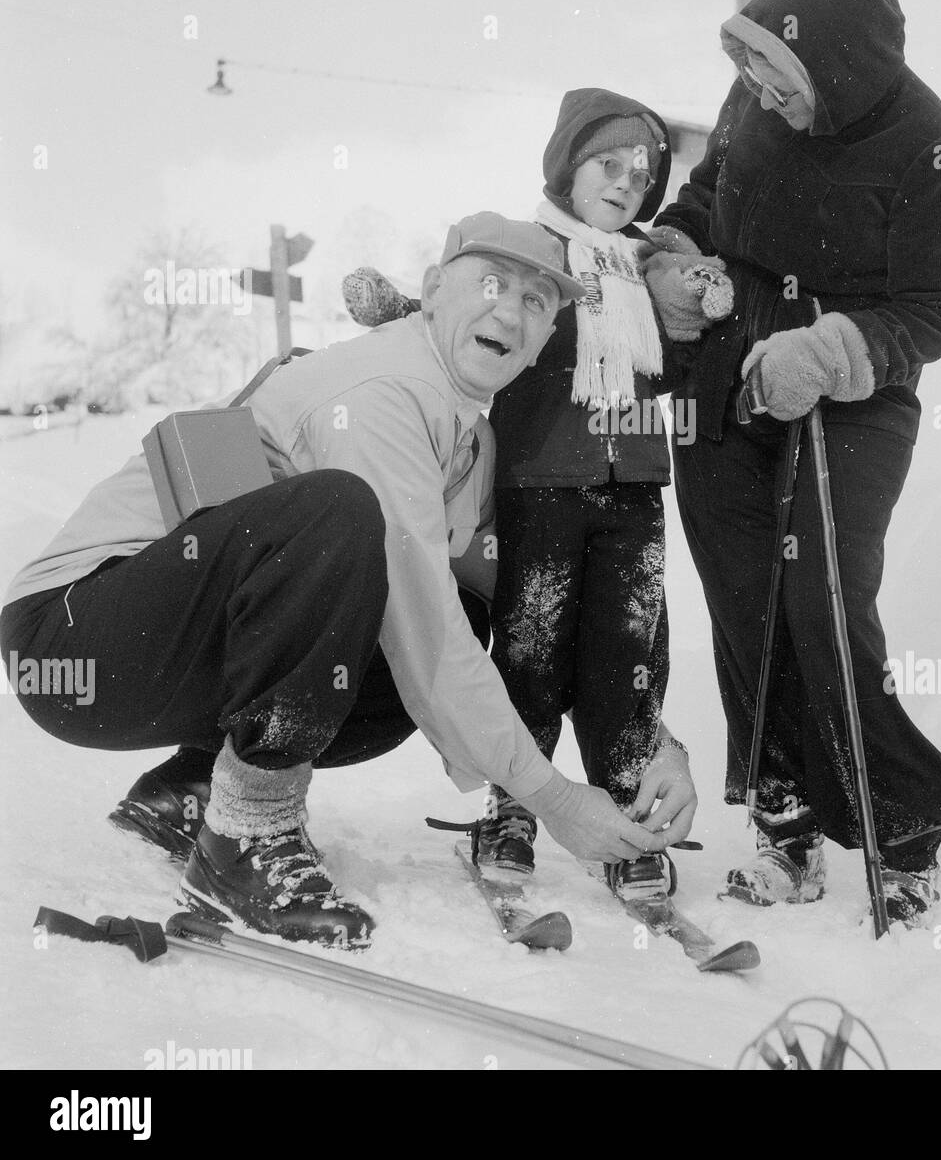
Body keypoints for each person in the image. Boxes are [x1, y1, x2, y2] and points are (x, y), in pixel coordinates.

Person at [0, 213, 689, 950]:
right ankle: (244, 837)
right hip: (76, 637)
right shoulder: (384, 392)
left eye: (536, 302)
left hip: (162, 644)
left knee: (454, 609)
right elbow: (427, 639)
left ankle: (190, 790)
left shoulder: (467, 434)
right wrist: (551, 798)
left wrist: (653, 740)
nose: (510, 311)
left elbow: (523, 611)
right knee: (342, 516)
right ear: (431, 292)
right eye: (491, 284)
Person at [649, 0, 941, 923]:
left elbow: (936, 307)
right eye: (746, 64)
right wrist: (677, 261)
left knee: (821, 601)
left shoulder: (929, 143)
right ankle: (785, 826)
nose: (752, 87)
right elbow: (702, 205)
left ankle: (903, 820)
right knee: (747, 606)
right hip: (724, 375)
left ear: (833, 68)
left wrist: (829, 351)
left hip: (852, 392)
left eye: (775, 73)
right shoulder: (752, 103)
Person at [344, 90, 732, 902]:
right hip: (539, 482)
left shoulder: (645, 264)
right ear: (567, 163)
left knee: (625, 654)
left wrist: (702, 297)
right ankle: (516, 804)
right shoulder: (534, 249)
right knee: (530, 647)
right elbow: (478, 310)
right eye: (608, 163)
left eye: (643, 172)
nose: (627, 182)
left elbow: (681, 352)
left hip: (633, 490)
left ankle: (626, 804)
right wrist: (402, 311)